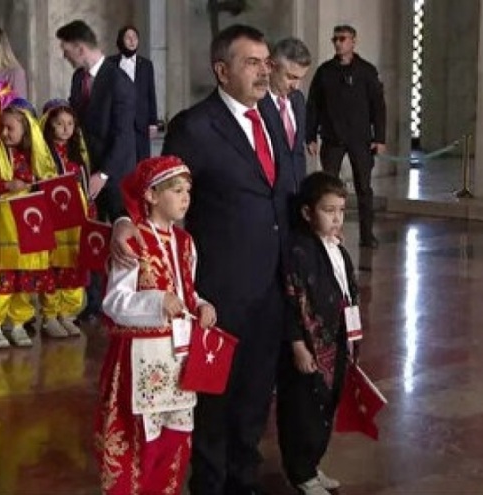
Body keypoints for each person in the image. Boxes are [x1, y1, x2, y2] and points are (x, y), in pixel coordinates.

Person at [111, 24, 296, 495]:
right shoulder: (194, 126)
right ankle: (210, 486)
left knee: (256, 396)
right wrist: (123, 221)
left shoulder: (273, 115)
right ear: (222, 70)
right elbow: (158, 193)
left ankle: (243, 482)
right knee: (215, 401)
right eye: (252, 62)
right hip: (218, 291)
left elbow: (283, 195)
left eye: (266, 61)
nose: (264, 70)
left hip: (272, 286)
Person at [96, 155, 216, 495]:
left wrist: (202, 305)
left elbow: (187, 291)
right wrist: (156, 301)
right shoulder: (133, 239)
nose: (185, 198)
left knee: (174, 440)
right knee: (138, 440)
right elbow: (115, 301)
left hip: (179, 359)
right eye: (176, 190)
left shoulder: (186, 242)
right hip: (140, 359)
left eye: (187, 191)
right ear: (150, 195)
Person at [276, 172, 358, 495]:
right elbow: (292, 300)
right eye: (328, 211)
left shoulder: (337, 250)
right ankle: (300, 472)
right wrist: (298, 345)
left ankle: (312, 464)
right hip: (310, 347)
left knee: (326, 407)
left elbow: (348, 292)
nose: (337, 218)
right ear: (308, 213)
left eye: (341, 210)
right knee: (303, 411)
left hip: (336, 343)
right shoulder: (298, 252)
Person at [0, 105, 57, 348]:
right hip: (4, 224)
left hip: (31, 223)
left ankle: (19, 323)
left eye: (10, 128)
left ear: (25, 130)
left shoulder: (34, 157)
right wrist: (5, 185)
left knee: (27, 277)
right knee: (5, 278)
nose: (4, 132)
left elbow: (47, 182)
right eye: (1, 127)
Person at [306, 24, 387, 248]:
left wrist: (380, 138)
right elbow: (313, 105)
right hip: (332, 138)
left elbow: (378, 106)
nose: (339, 43)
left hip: (361, 140)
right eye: (335, 39)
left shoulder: (367, 71)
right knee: (328, 189)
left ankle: (367, 235)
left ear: (353, 41)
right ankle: (328, 233)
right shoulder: (324, 72)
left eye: (343, 39)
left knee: (364, 188)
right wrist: (310, 136)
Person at [56, 19, 136, 221]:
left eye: (66, 50)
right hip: (86, 173)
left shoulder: (119, 81)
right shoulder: (78, 78)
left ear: (80, 48)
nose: (64, 55)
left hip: (114, 177)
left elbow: (123, 136)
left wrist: (102, 175)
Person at [38, 99, 93, 338]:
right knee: (54, 266)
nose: (65, 128)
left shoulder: (77, 155)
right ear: (48, 125)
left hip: (76, 217)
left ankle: (68, 313)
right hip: (54, 216)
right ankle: (50, 315)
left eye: (70, 123)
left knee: (74, 263)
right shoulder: (43, 156)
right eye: (59, 123)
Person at [261, 37, 311, 189]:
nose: (296, 86)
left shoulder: (298, 99)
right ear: (271, 67)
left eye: (300, 78)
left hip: (295, 193)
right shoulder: (256, 103)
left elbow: (297, 152)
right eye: (291, 77)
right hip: (268, 192)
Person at [107, 25, 160, 162]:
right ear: (120, 40)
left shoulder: (146, 64)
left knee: (142, 162)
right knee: (119, 160)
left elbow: (151, 93)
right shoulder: (110, 63)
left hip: (140, 123)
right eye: (128, 37)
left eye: (135, 38)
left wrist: (153, 122)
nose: (132, 41)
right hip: (117, 122)